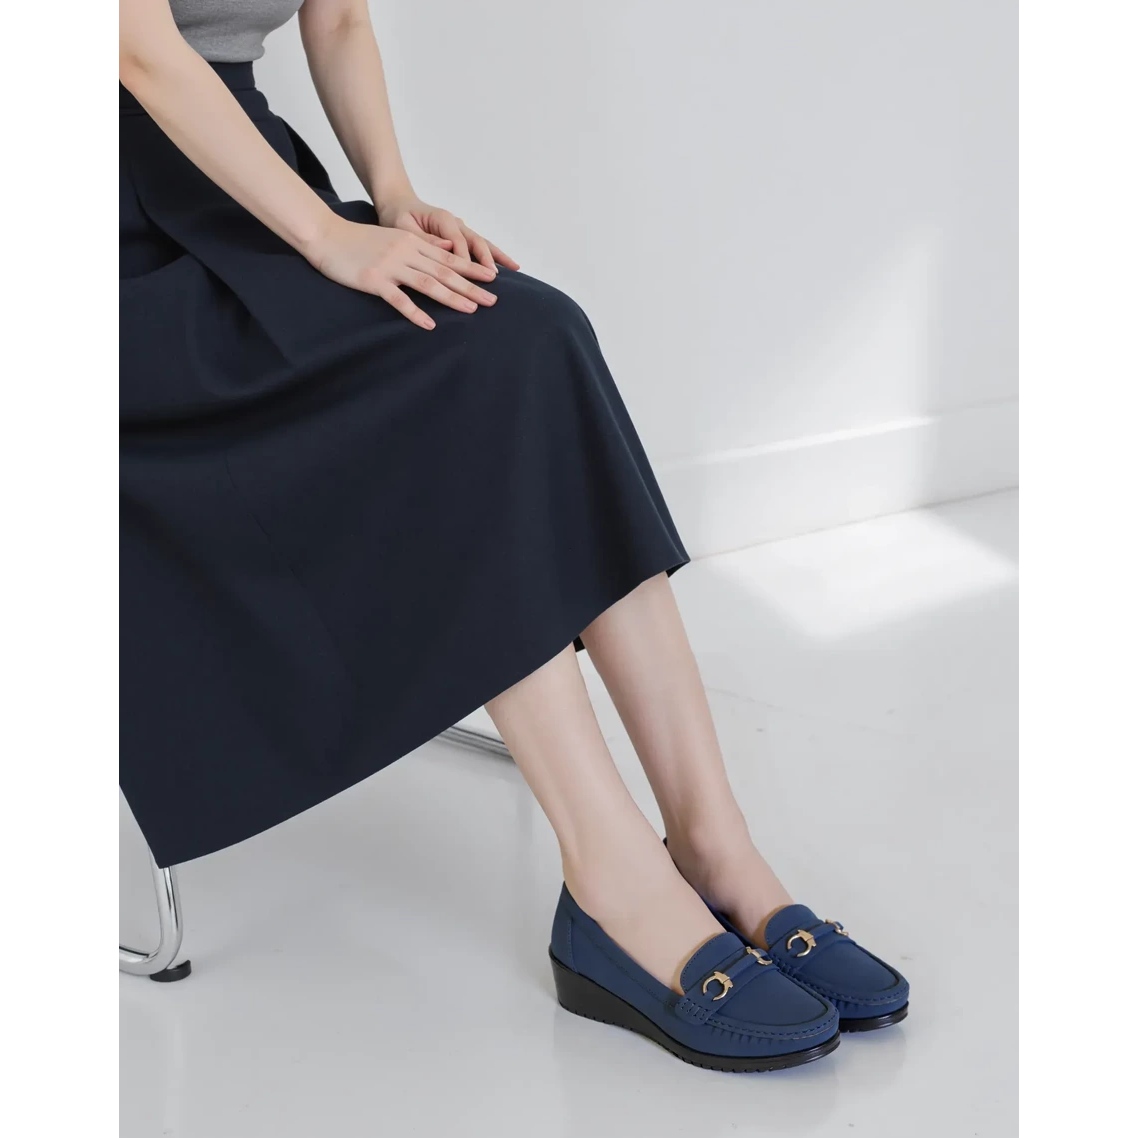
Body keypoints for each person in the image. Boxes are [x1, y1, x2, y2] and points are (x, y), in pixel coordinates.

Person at [120, 0, 908, 1071]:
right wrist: (331, 238)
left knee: (533, 333)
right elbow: (134, 44)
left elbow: (337, 18)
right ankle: (613, 881)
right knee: (452, 390)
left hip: (240, 186)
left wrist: (392, 196)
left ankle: (714, 845)